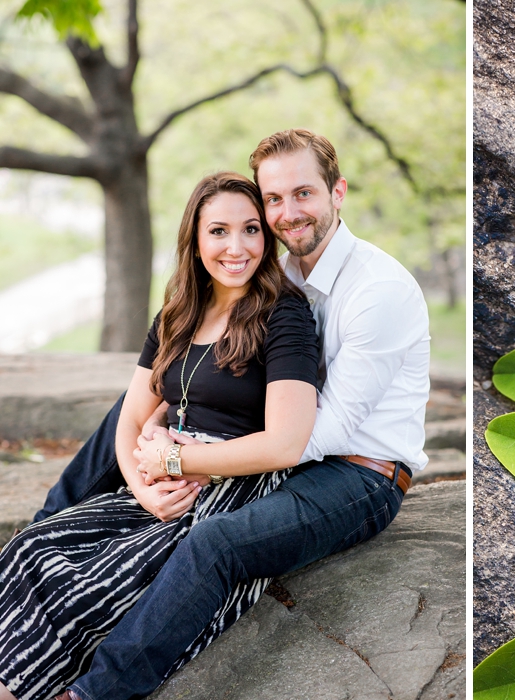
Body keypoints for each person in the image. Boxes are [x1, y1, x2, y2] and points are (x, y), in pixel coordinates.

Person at [31, 129, 431, 700]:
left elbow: (322, 430)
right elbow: (229, 373)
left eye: (303, 194)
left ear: (337, 192)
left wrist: (190, 456)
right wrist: (164, 416)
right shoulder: (277, 271)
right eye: (273, 200)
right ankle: (48, 530)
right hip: (285, 447)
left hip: (356, 472)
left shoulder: (378, 289)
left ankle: (94, 692)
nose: (287, 213)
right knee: (130, 406)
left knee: (215, 544)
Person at [0, 171, 321, 700]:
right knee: (30, 548)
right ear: (195, 241)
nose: (236, 247)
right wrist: (143, 483)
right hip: (159, 483)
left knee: (88, 588)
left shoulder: (284, 315)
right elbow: (129, 419)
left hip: (228, 490)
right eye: (218, 231)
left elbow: (285, 443)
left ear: (267, 237)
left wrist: (176, 463)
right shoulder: (178, 313)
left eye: (251, 230)